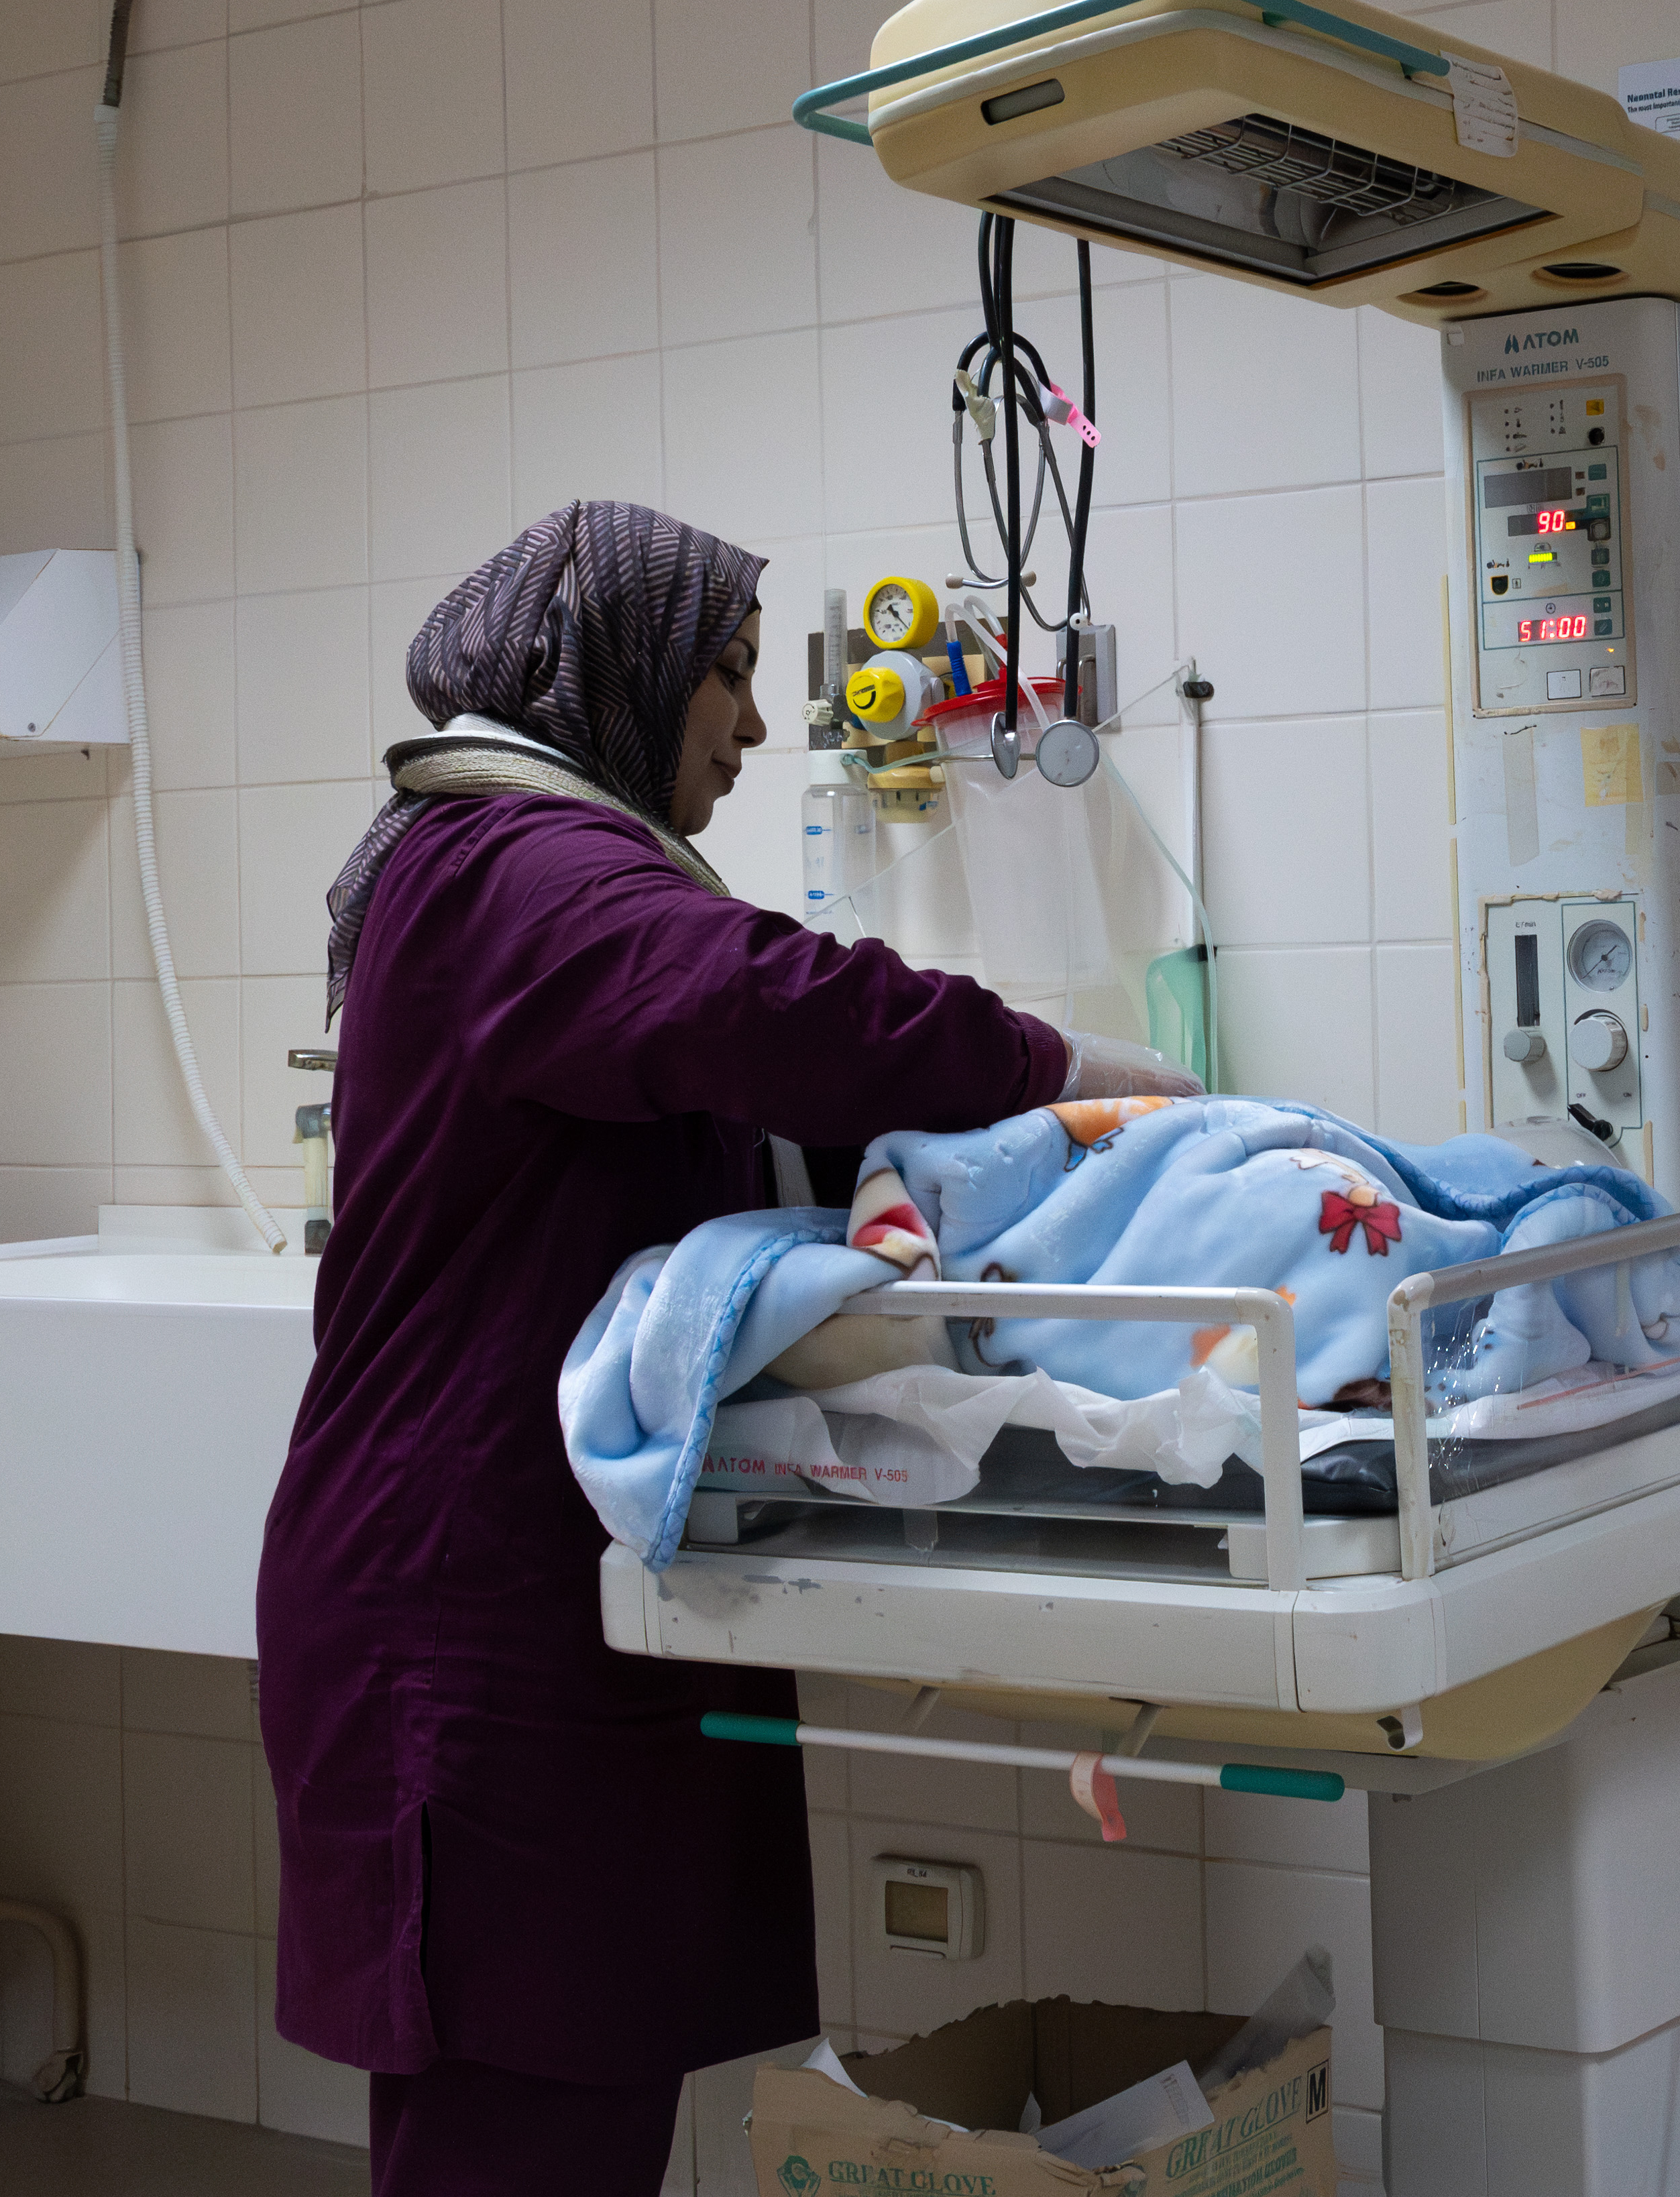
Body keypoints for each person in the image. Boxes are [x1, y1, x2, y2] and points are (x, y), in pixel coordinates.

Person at [260, 502, 1191, 2191]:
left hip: (517, 1585)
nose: (758, 725)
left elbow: (732, 1116)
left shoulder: (509, 868)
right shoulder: (516, 875)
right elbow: (775, 1010)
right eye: (732, 675)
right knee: (513, 2123)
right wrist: (1070, 1067)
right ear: (616, 668)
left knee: (581, 2094)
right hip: (461, 1614)